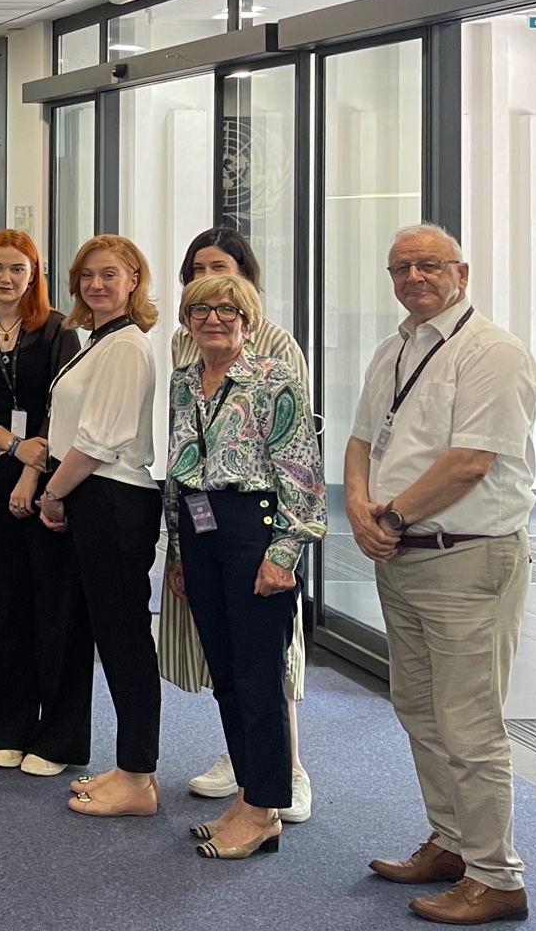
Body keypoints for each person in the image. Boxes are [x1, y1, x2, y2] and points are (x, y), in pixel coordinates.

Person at [352, 225, 536, 925]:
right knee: (420, 710)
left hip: (468, 558)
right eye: (401, 267)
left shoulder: (492, 353)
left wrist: (392, 516)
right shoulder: (395, 348)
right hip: (402, 556)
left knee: (469, 724)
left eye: (429, 265)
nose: (414, 277)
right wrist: (359, 510)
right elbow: (361, 440)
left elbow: (470, 463)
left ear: (461, 273)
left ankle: (497, 877)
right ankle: (453, 843)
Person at [164, 272, 322, 861]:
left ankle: (265, 809)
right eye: (200, 309)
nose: (213, 319)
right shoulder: (184, 381)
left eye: (227, 310)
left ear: (248, 320)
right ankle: (247, 797)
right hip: (200, 529)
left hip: (254, 529)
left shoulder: (274, 379)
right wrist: (176, 550)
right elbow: (180, 467)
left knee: (259, 677)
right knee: (226, 674)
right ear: (187, 320)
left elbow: (302, 475)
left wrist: (283, 555)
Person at [0, 230, 86, 777]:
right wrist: (11, 446)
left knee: (53, 607)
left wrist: (31, 467)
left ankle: (58, 739)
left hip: (53, 478)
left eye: (17, 269)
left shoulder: (58, 331)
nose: (6, 278)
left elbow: (62, 405)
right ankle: (6, 728)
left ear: (34, 275)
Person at [39, 233, 162, 819]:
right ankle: (131, 767)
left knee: (124, 640)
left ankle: (138, 777)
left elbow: (98, 441)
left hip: (111, 497)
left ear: (134, 280)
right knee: (112, 638)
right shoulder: (101, 341)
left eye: (110, 274)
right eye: (87, 275)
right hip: (93, 494)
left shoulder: (127, 345)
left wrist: (53, 494)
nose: (96, 285)